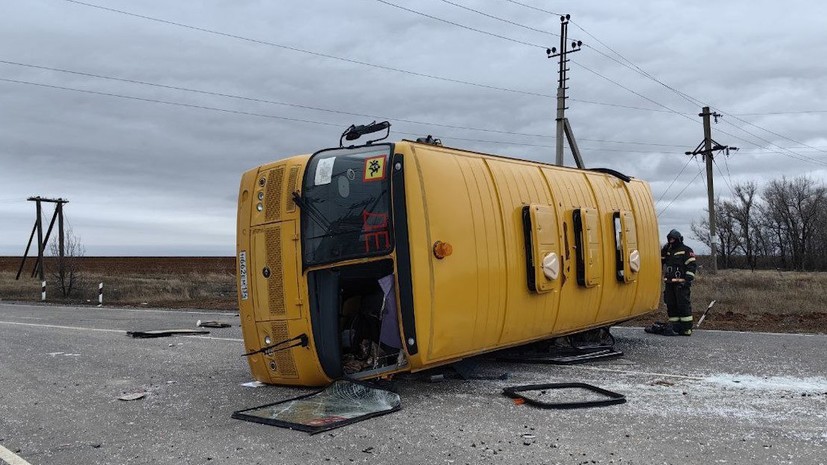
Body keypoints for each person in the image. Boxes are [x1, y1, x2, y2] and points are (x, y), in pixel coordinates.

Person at [646, 229, 697, 336]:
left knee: (683, 306)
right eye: (670, 239)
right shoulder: (668, 251)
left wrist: (687, 281)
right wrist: (663, 250)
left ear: (678, 239)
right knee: (671, 305)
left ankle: (686, 329)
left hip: (681, 285)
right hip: (669, 284)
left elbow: (691, 267)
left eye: (673, 239)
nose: (671, 241)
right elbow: (660, 260)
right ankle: (675, 327)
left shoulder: (686, 250)